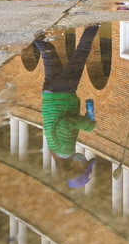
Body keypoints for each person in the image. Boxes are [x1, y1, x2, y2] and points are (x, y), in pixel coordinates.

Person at [36, 25, 100, 187]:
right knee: (47, 51)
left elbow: (66, 122)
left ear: (75, 167)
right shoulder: (55, 150)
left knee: (82, 51)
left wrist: (87, 125)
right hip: (50, 94)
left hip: (62, 94)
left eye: (83, 164)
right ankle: (34, 33)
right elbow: (61, 123)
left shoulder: (65, 149)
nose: (84, 160)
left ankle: (95, 20)